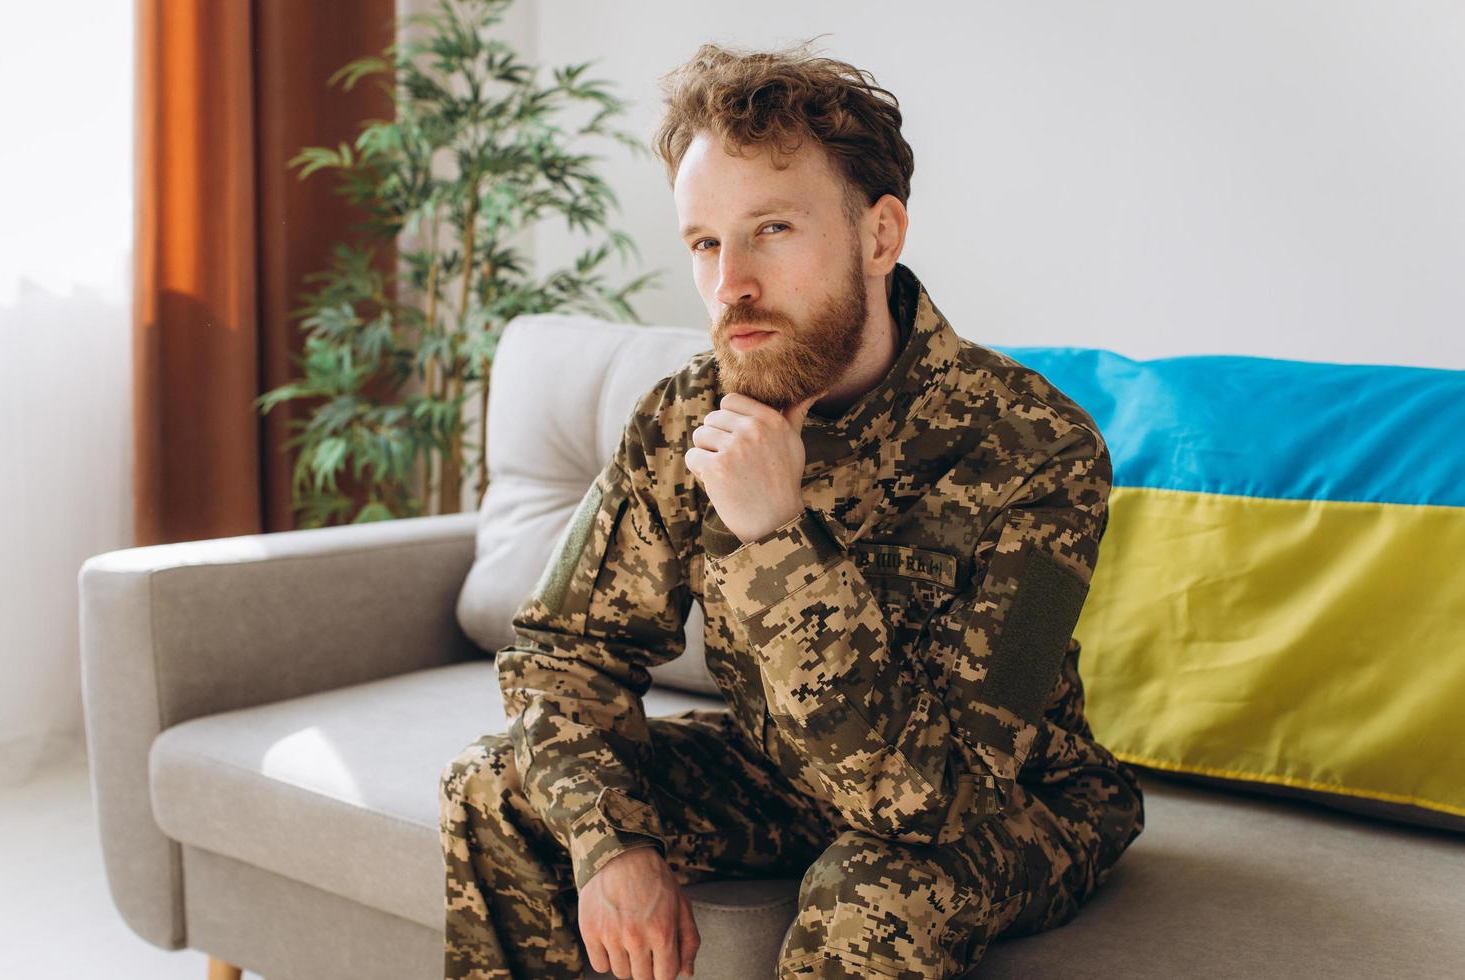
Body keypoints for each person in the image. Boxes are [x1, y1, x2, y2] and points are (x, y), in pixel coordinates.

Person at [440, 38, 1145, 980]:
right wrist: (611, 846)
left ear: (881, 235)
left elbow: (932, 800)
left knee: (876, 893)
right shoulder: (685, 416)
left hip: (1008, 797)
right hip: (777, 768)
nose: (730, 282)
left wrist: (777, 539)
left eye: (771, 229)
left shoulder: (1038, 449)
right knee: (496, 783)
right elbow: (564, 657)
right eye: (704, 242)